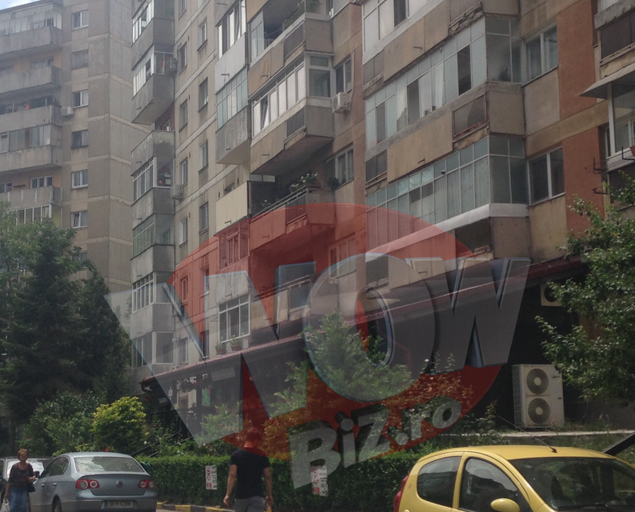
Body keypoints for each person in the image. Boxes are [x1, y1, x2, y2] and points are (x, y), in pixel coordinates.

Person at [223, 428, 273, 512]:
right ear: (256, 440)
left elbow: (232, 475)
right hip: (257, 495)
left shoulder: (236, 455)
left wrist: (228, 495)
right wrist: (269, 495)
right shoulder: (262, 455)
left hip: (240, 496)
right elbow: (267, 476)